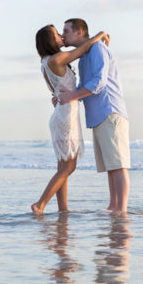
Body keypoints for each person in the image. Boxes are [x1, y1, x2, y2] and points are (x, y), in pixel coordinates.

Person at [31, 25, 109, 214]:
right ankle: (40, 204)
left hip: (62, 112)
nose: (60, 36)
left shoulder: (46, 60)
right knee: (69, 167)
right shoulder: (58, 58)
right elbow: (83, 49)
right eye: (57, 34)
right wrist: (100, 34)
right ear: (50, 41)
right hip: (65, 116)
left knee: (63, 166)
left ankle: (63, 210)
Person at [56, 18, 130, 214]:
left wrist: (72, 95)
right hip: (97, 115)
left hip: (110, 110)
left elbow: (99, 82)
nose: (63, 34)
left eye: (66, 30)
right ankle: (113, 206)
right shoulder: (84, 57)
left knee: (118, 164)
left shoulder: (97, 49)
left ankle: (120, 210)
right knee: (110, 166)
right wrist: (64, 98)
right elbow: (82, 86)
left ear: (79, 32)